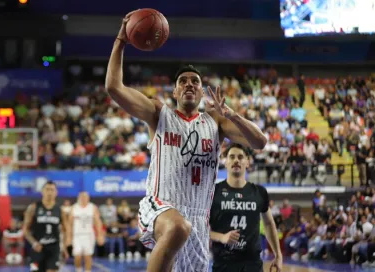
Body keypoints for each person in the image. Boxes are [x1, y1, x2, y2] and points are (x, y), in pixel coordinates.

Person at [105, 11, 267, 272]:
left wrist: (232, 115)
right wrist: (121, 40)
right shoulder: (159, 114)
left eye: (195, 81)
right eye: (183, 81)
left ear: (202, 92)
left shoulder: (216, 123)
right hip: (160, 207)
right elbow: (114, 87)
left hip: (198, 222)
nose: (189, 84)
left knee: (184, 229)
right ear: (175, 91)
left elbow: (260, 142)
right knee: (178, 226)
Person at [209, 143, 282, 272]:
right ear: (225, 163)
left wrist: (278, 254)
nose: (236, 160)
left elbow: (269, 224)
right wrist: (221, 237)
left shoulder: (259, 192)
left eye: (240, 157)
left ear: (247, 162)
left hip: (252, 264)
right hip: (223, 264)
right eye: (231, 157)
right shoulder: (213, 192)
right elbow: (200, 229)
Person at [23, 181, 69, 272]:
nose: (50, 192)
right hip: (38, 248)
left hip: (54, 248)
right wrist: (34, 243)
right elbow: (25, 230)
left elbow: (66, 230)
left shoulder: (60, 210)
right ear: (42, 191)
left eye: (52, 190)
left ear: (56, 192)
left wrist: (64, 247)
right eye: (47, 189)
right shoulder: (33, 208)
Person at [68, 192, 104, 272]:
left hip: (88, 235)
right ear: (79, 198)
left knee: (88, 256)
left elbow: (97, 222)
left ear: (88, 198)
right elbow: (69, 224)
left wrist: (100, 235)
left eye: (85, 197)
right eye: (82, 197)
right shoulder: (74, 207)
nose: (84, 198)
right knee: (77, 256)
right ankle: (79, 270)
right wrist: (69, 236)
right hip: (77, 235)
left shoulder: (92, 207)